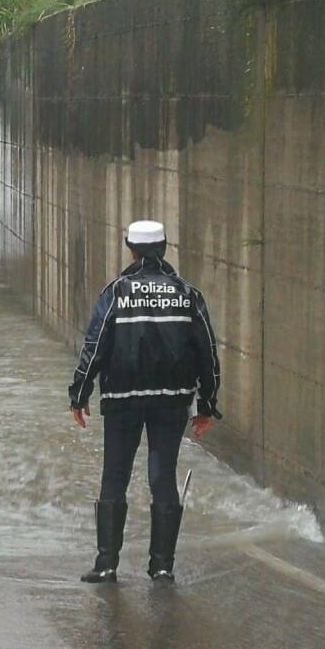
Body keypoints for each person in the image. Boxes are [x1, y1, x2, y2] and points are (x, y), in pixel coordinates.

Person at [69, 221, 222, 584]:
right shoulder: (187, 295)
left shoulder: (116, 293)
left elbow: (94, 346)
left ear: (131, 250)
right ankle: (162, 567)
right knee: (162, 477)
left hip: (122, 400)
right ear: (164, 248)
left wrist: (79, 393)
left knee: (115, 475)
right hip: (171, 402)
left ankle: (107, 565)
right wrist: (207, 405)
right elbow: (207, 353)